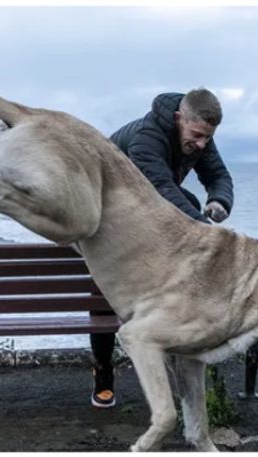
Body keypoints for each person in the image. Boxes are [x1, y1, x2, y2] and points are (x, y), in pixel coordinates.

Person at [89, 88, 234, 408]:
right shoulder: (145, 138)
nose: (201, 144)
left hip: (145, 210)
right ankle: (102, 371)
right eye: (197, 135)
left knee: (193, 206)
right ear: (179, 118)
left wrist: (219, 200)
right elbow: (161, 189)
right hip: (107, 209)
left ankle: (179, 355)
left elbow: (218, 175)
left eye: (207, 138)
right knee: (104, 294)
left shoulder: (199, 135)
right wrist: (204, 230)